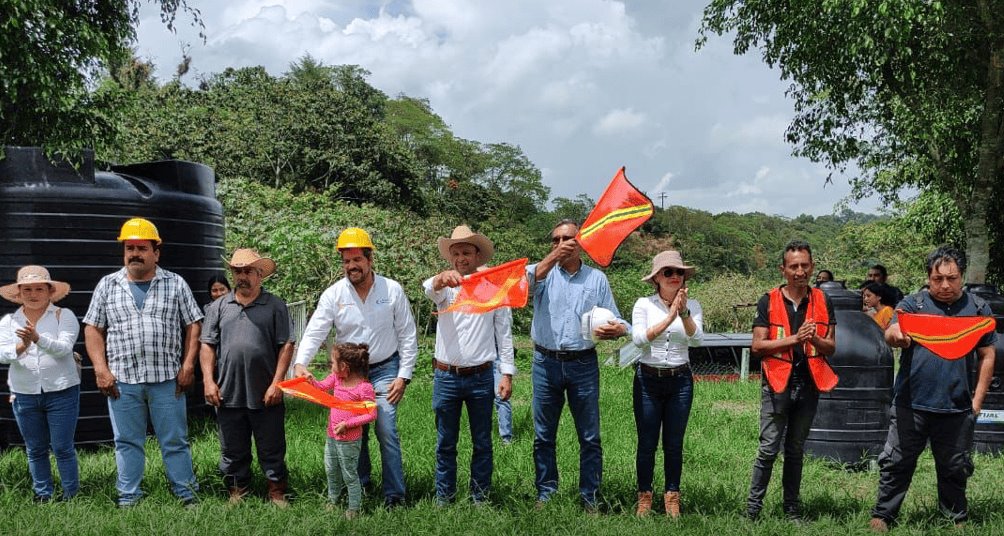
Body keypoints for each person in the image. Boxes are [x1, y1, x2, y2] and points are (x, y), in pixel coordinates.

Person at [869, 246, 996, 532]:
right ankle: (883, 515)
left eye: (952, 278)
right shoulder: (913, 305)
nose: (945, 285)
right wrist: (897, 337)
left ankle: (955, 518)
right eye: (938, 279)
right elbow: (891, 330)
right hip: (910, 403)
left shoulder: (977, 309)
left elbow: (987, 355)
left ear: (961, 276)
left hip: (957, 406)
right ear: (928, 277)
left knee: (955, 467)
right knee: (896, 462)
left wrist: (976, 402)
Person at [292, 227, 418, 508]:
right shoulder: (333, 295)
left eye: (357, 260)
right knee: (350, 430)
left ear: (370, 259)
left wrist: (403, 375)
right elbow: (315, 331)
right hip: (348, 376)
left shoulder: (392, 290)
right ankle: (359, 485)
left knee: (385, 429)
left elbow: (408, 335)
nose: (351, 266)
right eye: (346, 261)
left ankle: (394, 495)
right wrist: (301, 363)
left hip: (386, 369)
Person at [83, 217, 203, 508]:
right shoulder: (107, 285)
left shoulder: (175, 283)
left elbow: (194, 325)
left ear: (156, 252)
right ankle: (129, 496)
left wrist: (188, 366)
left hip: (167, 380)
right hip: (122, 381)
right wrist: (101, 370)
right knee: (126, 441)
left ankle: (186, 493)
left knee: (174, 440)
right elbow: (92, 328)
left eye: (142, 248)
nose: (135, 253)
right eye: (130, 248)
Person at [528, 219, 630, 511]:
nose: (561, 244)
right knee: (543, 435)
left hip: (582, 364)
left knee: (589, 435)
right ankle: (546, 493)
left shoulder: (596, 279)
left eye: (568, 238)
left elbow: (617, 318)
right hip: (545, 362)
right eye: (555, 239)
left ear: (580, 242)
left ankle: (590, 497)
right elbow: (523, 288)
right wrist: (550, 260)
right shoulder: (542, 273)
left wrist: (618, 329)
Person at [745, 239, 837, 522]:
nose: (800, 271)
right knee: (769, 448)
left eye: (805, 265)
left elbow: (831, 347)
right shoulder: (768, 300)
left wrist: (815, 338)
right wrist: (794, 339)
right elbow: (757, 347)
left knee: (796, 449)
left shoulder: (822, 300)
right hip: (776, 382)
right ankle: (752, 511)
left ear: (812, 267)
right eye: (794, 266)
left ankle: (792, 511)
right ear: (783, 269)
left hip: (809, 383)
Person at [423, 225, 515, 505]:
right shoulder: (445, 287)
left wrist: (507, 373)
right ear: (450, 257)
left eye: (467, 252)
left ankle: (480, 496)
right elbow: (428, 288)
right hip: (446, 376)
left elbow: (505, 333)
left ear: (477, 255)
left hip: (481, 376)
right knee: (445, 442)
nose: (461, 258)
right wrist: (441, 278)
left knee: (483, 442)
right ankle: (444, 497)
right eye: (456, 253)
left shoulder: (493, 287)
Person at [199, 249, 294, 506]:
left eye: (248, 271)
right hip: (228, 390)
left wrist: (277, 383)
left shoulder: (275, 305)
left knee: (272, 445)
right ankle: (237, 490)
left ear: (259, 274)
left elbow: (286, 345)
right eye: (237, 271)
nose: (242, 276)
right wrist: (208, 380)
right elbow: (207, 344)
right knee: (232, 447)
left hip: (265, 390)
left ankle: (276, 491)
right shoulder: (218, 307)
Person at [630, 250, 704, 518]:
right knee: (647, 442)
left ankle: (672, 496)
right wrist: (669, 317)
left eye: (679, 272)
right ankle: (645, 496)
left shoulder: (692, 305)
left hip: (680, 380)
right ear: (656, 278)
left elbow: (697, 340)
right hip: (648, 379)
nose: (674, 276)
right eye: (668, 272)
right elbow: (639, 340)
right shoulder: (643, 304)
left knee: (674, 443)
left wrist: (683, 312)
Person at [0, 266, 80, 502]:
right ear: (19, 293)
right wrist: (22, 346)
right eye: (27, 289)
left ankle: (71, 496)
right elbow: (2, 354)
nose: (33, 294)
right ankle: (43, 494)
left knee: (63, 447)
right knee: (35, 449)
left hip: (62, 391)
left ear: (49, 291)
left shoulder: (63, 315)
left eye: (38, 289)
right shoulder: (8, 322)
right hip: (24, 393)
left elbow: (64, 349)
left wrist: (36, 339)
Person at [310, 343, 377, 519]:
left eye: (332, 363)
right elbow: (321, 387)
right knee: (331, 469)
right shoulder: (336, 378)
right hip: (332, 436)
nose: (330, 366)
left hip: (350, 440)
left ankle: (353, 508)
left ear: (344, 367)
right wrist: (311, 381)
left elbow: (371, 414)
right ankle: (333, 501)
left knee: (349, 474)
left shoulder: (364, 388)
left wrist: (348, 424)